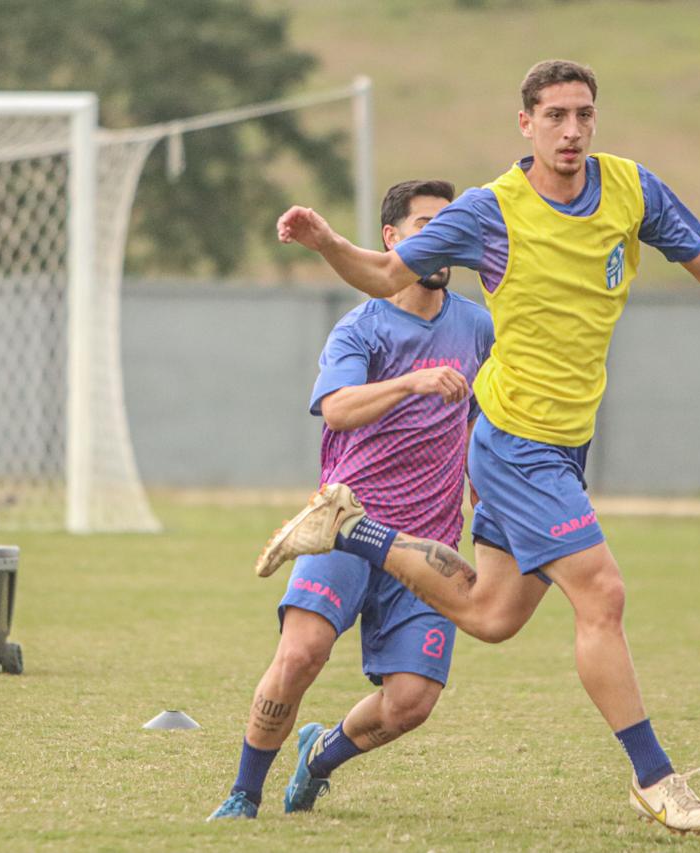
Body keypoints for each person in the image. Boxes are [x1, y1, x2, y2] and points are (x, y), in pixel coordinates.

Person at [258, 60, 700, 834]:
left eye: (584, 114)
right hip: (516, 441)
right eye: (554, 115)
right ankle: (655, 778)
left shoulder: (631, 188)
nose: (572, 130)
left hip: (562, 444)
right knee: (603, 594)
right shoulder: (490, 210)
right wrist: (325, 241)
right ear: (526, 124)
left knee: (491, 615)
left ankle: (348, 557)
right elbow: (386, 272)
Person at [208, 180, 495, 821]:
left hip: (427, 544)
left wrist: (488, 498)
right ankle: (243, 795)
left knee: (411, 703)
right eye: (426, 226)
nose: (443, 239)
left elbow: (482, 421)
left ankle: (319, 757)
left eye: (450, 227)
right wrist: (412, 382)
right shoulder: (361, 328)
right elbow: (336, 407)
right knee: (301, 654)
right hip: (346, 524)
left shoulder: (479, 327)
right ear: (392, 239)